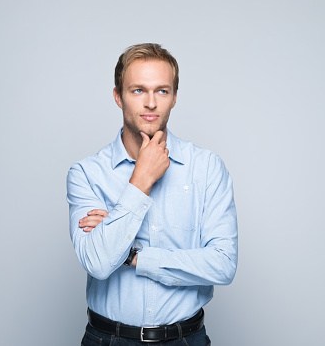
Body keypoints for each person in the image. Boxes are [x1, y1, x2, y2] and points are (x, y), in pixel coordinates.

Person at [67, 43, 238, 345]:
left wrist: (132, 255)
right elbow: (97, 261)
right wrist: (140, 181)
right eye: (137, 90)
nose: (150, 103)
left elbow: (222, 264)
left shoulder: (206, 168)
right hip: (108, 339)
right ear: (118, 97)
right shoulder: (87, 173)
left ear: (174, 98)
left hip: (185, 338)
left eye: (162, 91)